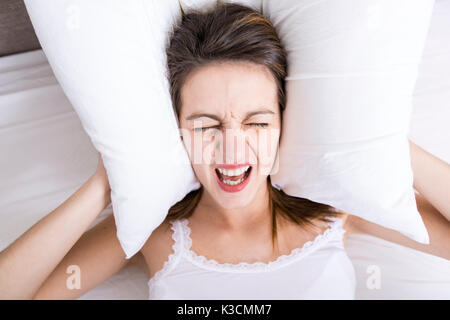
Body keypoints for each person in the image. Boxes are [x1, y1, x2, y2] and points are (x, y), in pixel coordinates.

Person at [0, 2, 448, 300]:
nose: (232, 148)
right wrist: (102, 187)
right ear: (176, 132)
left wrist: (380, 140)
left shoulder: (334, 213)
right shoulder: (156, 234)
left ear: (285, 123)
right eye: (206, 125)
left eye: (256, 122)